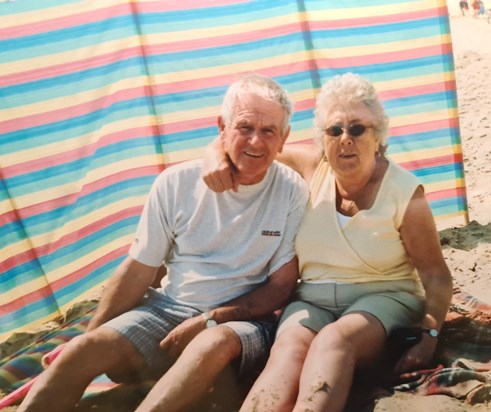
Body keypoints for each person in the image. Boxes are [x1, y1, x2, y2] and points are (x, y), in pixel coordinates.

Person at [18, 73, 309, 412]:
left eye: (268, 131)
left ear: (284, 138)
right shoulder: (175, 183)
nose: (256, 142)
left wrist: (210, 319)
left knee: (209, 345)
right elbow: (139, 269)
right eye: (245, 127)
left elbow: (280, 287)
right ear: (222, 126)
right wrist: (89, 335)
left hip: (241, 322)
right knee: (83, 350)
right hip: (168, 307)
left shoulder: (292, 190)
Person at [203, 72, 453, 412]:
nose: (345, 139)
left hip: (383, 296)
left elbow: (436, 275)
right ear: (322, 139)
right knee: (288, 348)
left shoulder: (406, 194)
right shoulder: (311, 167)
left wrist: (430, 336)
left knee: (334, 342)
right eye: (334, 130)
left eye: (357, 128)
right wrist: (214, 152)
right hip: (314, 297)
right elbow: (254, 147)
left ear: (379, 136)